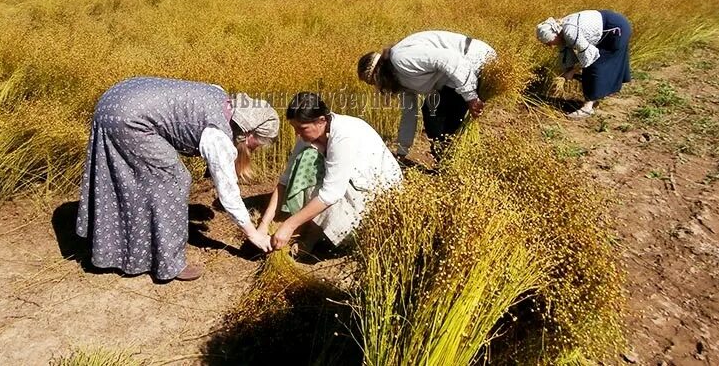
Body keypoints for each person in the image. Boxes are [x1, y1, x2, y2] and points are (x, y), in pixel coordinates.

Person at [76, 77, 279, 282]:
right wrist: (254, 235)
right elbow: (228, 194)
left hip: (116, 98)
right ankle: (169, 264)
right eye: (258, 144)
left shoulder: (220, 97)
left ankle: (113, 243)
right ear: (249, 133)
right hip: (128, 119)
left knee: (136, 181)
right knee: (174, 181)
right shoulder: (217, 136)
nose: (255, 149)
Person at [258, 92, 402, 253]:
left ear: (321, 121)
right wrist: (264, 224)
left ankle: (314, 235)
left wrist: (289, 225)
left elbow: (331, 193)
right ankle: (308, 227)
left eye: (302, 128)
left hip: (376, 191)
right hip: (349, 181)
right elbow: (285, 180)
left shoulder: (343, 136)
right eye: (295, 128)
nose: (297, 134)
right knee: (305, 158)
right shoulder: (309, 135)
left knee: (316, 169)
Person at [357, 31, 496, 160]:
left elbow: (450, 60)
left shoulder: (400, 59)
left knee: (436, 113)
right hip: (456, 75)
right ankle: (448, 160)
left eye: (374, 82)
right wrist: (402, 152)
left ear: (378, 74)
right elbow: (409, 114)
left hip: (474, 60)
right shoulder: (398, 80)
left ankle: (449, 160)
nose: (379, 88)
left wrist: (471, 97)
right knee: (435, 113)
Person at [536, 9, 632, 119]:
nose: (550, 46)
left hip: (616, 30)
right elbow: (566, 52)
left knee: (594, 68)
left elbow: (589, 57)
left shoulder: (570, 32)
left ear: (554, 36)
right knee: (594, 67)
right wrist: (567, 70)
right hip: (612, 24)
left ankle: (587, 108)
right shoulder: (561, 29)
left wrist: (572, 71)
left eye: (549, 43)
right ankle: (594, 98)